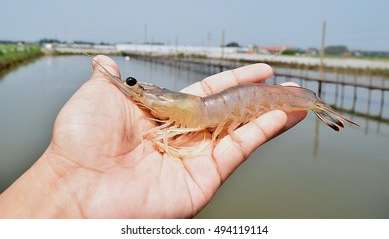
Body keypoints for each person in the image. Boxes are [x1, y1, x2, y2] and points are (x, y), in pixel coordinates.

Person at [0, 55, 306, 218]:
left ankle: (307, 101)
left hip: (235, 106)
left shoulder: (181, 106)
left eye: (135, 86)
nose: (135, 91)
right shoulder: (160, 100)